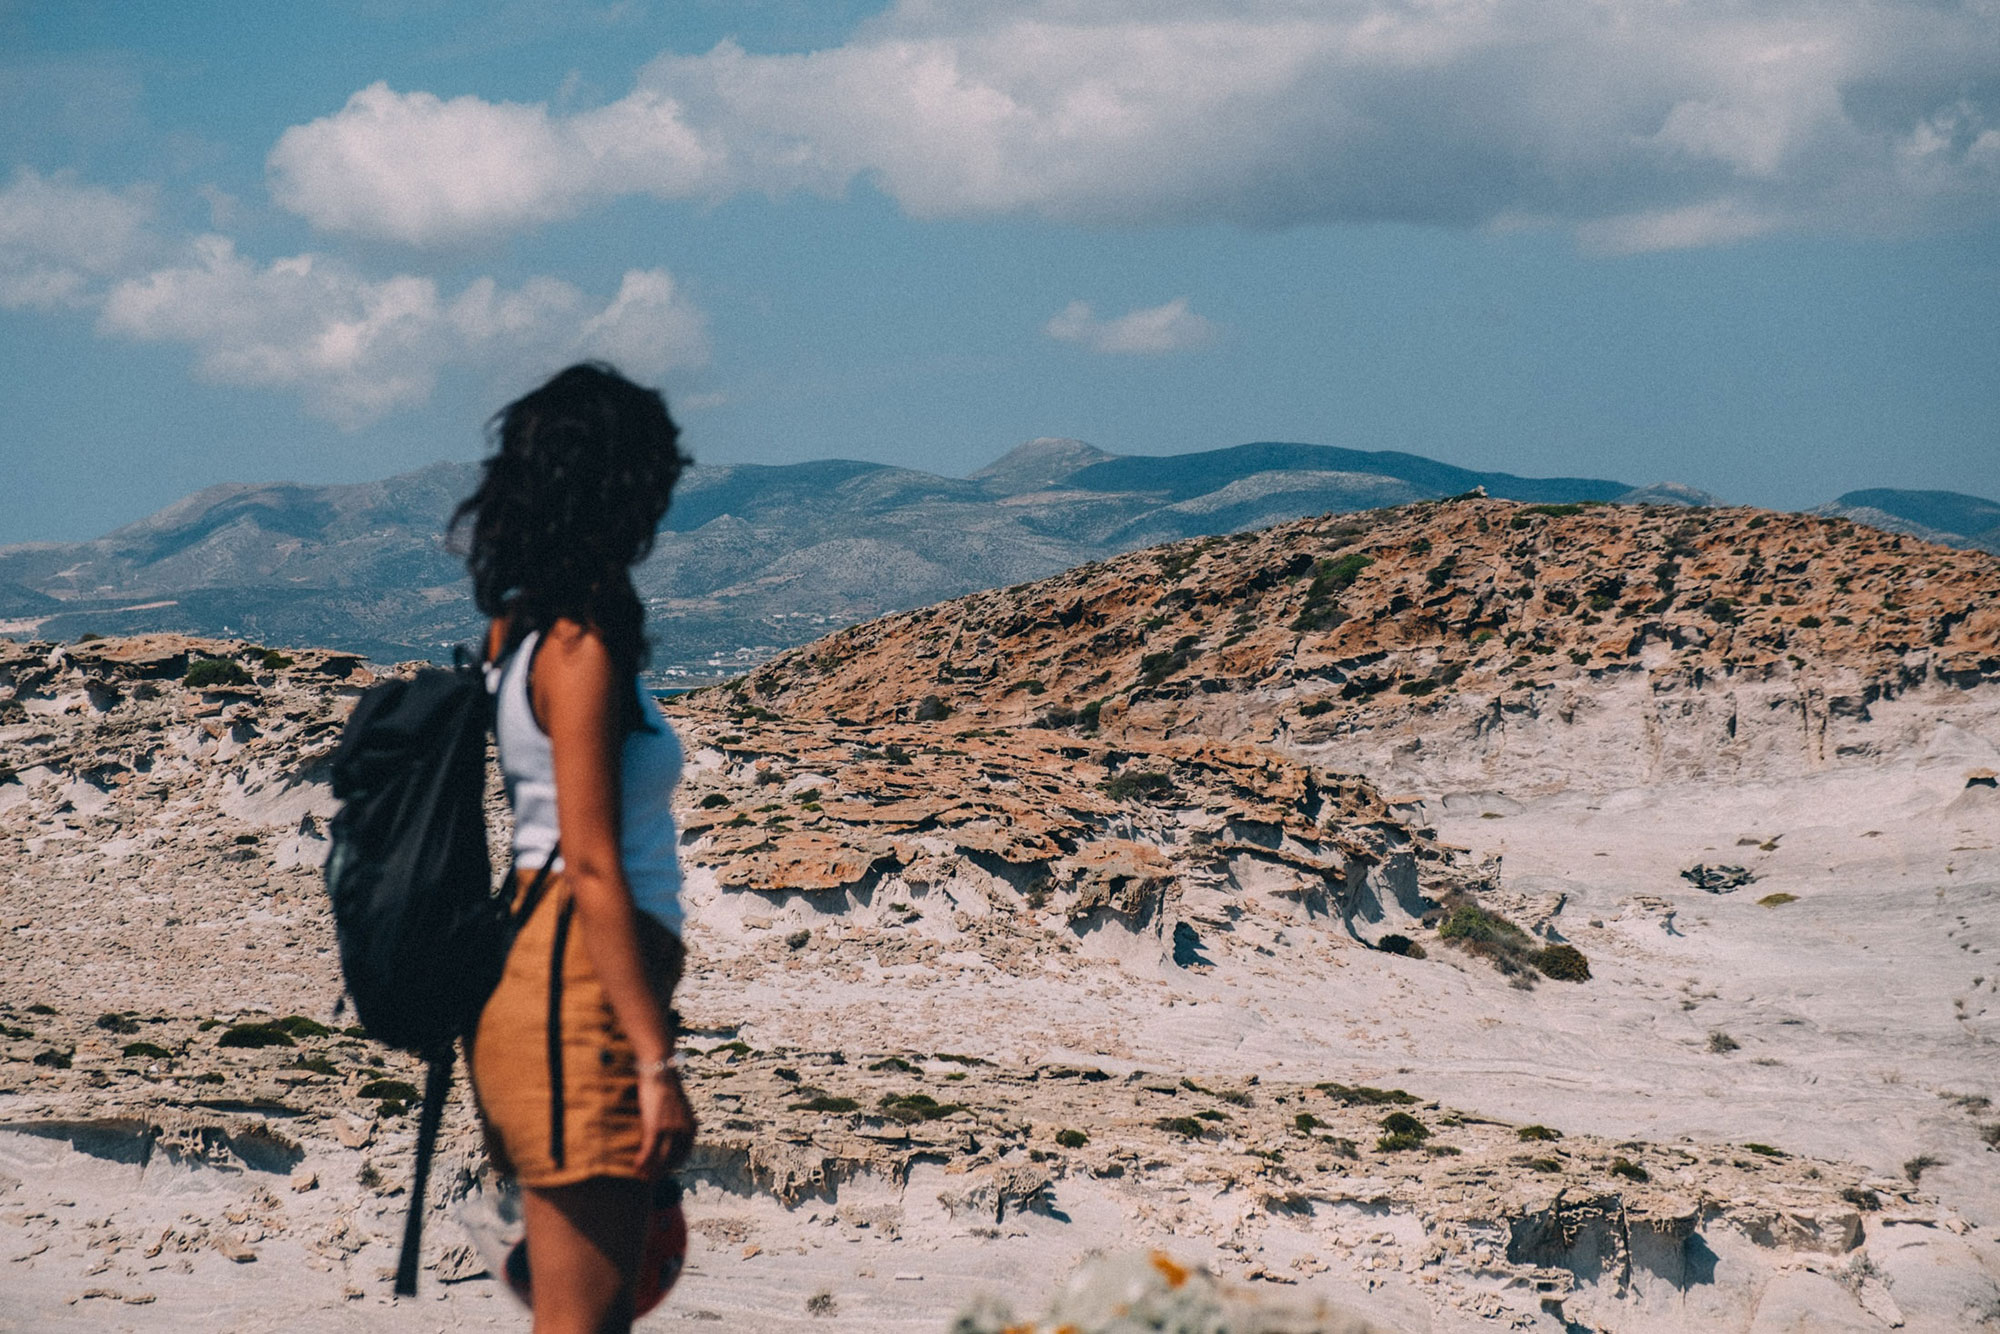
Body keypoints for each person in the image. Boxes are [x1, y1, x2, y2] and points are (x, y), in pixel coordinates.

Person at [450, 362, 696, 1333]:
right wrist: (652, 1059)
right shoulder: (578, 645)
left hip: (548, 986)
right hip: (574, 999)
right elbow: (588, 862)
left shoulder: (520, 631)